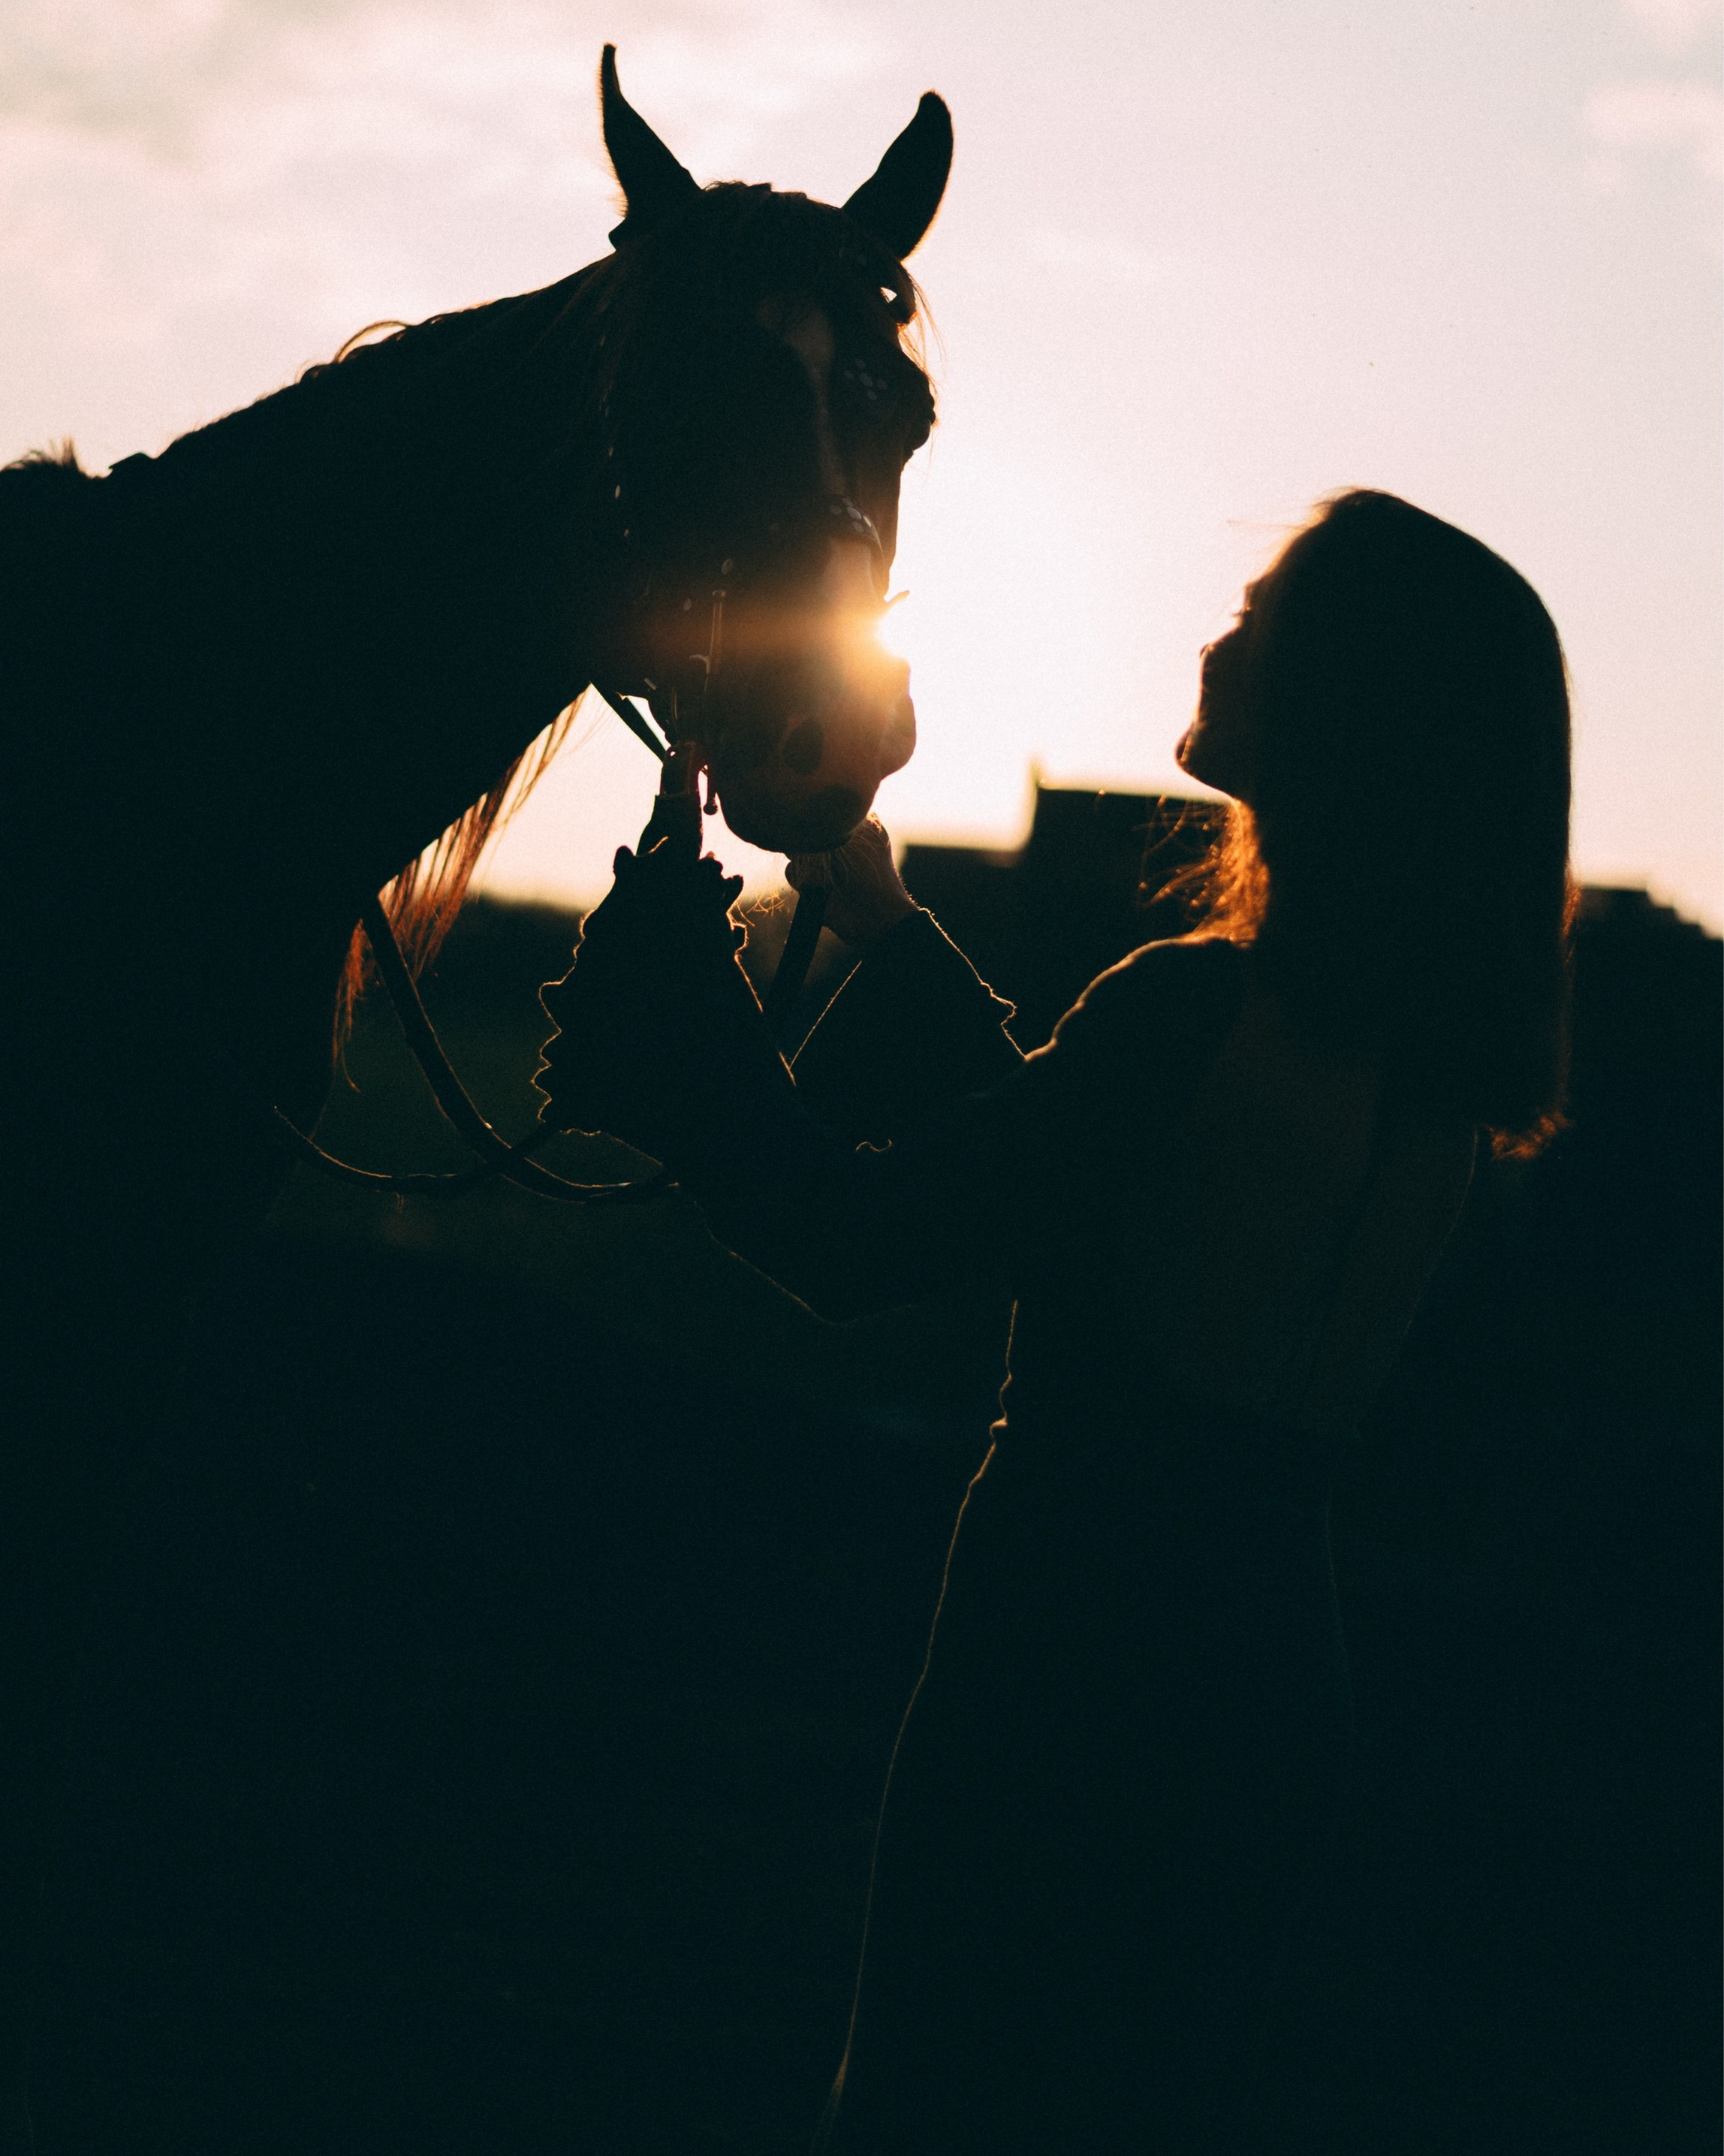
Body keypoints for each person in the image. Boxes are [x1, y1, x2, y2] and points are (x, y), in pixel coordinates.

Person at [537, 488, 1575, 2151]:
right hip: (1260, 1688)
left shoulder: (1190, 1004)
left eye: (1258, 616)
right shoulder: (1422, 1095)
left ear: (1340, 701)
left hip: (1071, 1656)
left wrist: (675, 1039)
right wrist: (878, 916)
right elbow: (1094, 1209)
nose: (1214, 636)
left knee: (930, 2099)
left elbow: (858, 1237)